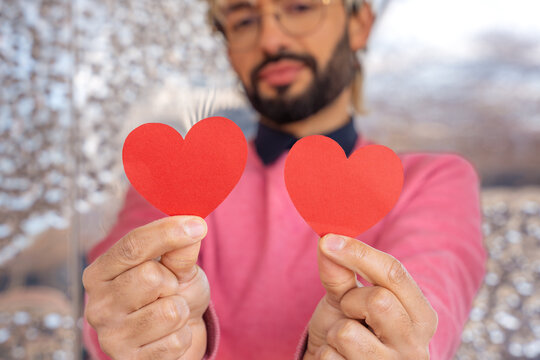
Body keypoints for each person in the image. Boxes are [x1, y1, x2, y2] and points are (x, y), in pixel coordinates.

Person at [82, 0, 486, 359]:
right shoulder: (180, 174)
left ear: (359, 22)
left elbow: (434, 309)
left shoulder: (434, 180)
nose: (271, 39)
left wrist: (400, 342)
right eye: (243, 19)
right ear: (227, 47)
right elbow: (111, 303)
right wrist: (133, 327)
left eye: (299, 7)